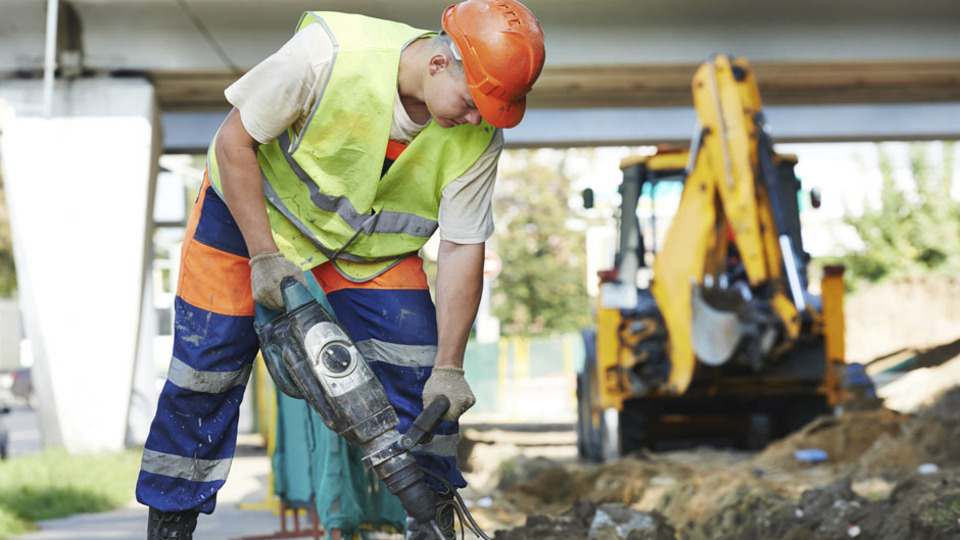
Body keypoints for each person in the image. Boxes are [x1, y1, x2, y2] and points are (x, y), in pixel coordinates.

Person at [136, 1, 545, 539]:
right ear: (440, 63)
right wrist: (262, 255)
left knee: (428, 382)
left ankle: (434, 523)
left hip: (365, 249)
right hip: (248, 219)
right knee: (204, 373)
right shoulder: (327, 55)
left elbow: (462, 246)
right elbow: (234, 141)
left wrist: (450, 365)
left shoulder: (479, 136)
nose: (475, 120)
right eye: (472, 104)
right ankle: (170, 525)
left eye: (488, 113)